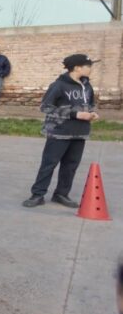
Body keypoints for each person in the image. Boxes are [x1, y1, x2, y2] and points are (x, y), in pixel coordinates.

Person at [24, 53, 99, 209]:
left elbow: (91, 104)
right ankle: (37, 195)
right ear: (77, 68)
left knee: (71, 165)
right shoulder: (58, 85)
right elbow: (45, 107)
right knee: (49, 164)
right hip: (59, 132)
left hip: (80, 132)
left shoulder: (87, 86)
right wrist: (75, 114)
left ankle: (61, 194)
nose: (91, 69)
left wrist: (92, 113)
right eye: (88, 66)